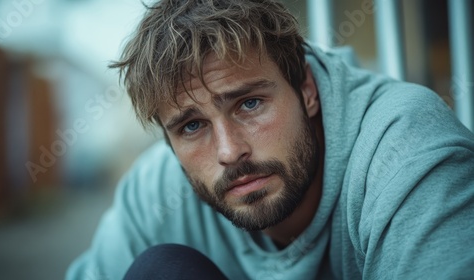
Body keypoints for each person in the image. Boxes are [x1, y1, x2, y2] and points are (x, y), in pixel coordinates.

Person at [66, 0, 474, 279]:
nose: (229, 152)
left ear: (307, 90)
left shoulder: (405, 149)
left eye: (249, 104)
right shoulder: (155, 192)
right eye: (191, 126)